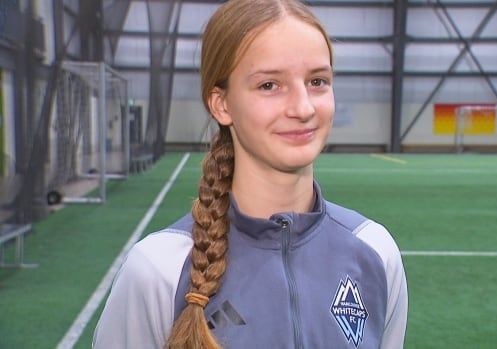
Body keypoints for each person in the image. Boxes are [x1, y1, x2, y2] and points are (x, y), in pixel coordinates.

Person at [93, 0, 408, 348]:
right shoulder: (158, 270)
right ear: (222, 104)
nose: (303, 108)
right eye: (269, 85)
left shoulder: (376, 251)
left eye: (317, 81)